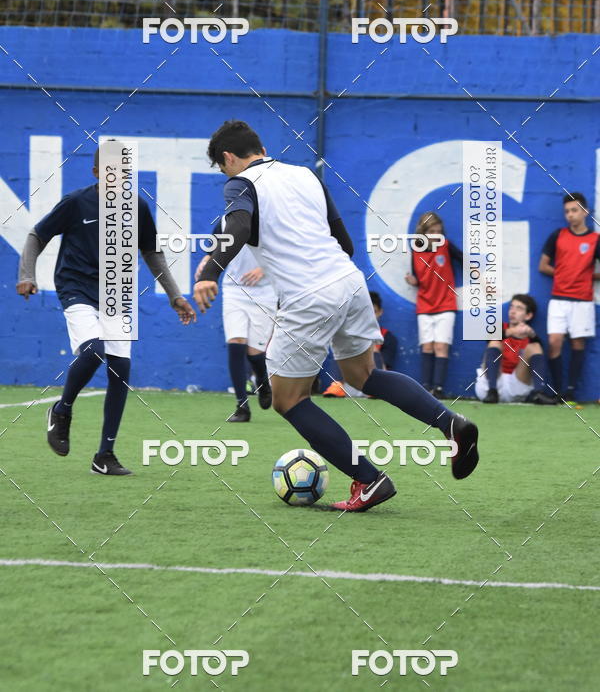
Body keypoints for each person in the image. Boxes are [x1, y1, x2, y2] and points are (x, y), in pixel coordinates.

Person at [193, 120, 479, 512]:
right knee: (364, 376)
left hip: (308, 295)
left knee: (288, 400)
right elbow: (343, 240)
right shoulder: (306, 174)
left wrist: (209, 272)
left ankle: (369, 479)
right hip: (348, 280)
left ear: (228, 158)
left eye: (222, 167)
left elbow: (239, 224)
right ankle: (450, 424)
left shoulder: (241, 183)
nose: (224, 175)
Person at [16, 146, 196, 475]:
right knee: (94, 349)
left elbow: (152, 252)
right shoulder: (75, 203)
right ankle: (62, 409)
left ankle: (104, 456)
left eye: (124, 173)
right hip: (76, 287)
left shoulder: (137, 207)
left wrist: (174, 296)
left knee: (120, 372)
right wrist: (27, 275)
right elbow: (35, 236)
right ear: (97, 172)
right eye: (111, 172)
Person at [195, 242, 276, 422]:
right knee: (236, 343)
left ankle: (263, 383)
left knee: (255, 354)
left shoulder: (273, 218)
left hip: (266, 292)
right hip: (234, 290)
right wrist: (206, 260)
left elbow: (288, 250)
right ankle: (242, 406)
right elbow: (214, 246)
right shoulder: (227, 220)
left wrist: (263, 269)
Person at [539, 192, 600, 402]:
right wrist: (564, 274)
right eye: (567, 211)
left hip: (583, 301)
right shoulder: (558, 235)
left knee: (577, 343)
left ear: (585, 212)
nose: (570, 215)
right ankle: (557, 391)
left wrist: (586, 276)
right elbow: (543, 265)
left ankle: (571, 391)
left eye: (574, 210)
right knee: (554, 341)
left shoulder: (595, 239)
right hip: (558, 299)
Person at [405, 211, 462, 400]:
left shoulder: (445, 246)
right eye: (432, 231)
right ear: (424, 232)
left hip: (446, 304)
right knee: (427, 346)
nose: (436, 235)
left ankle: (438, 388)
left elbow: (463, 259)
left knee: (441, 347)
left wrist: (481, 275)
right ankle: (425, 387)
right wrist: (412, 281)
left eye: (439, 231)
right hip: (425, 304)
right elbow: (418, 278)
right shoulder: (417, 250)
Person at [474, 294, 554, 405]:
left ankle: (538, 393)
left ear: (528, 316)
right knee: (495, 341)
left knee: (535, 347)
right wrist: (511, 332)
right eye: (511, 307)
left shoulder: (530, 336)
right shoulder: (500, 327)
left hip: (516, 385)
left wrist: (532, 335)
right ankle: (492, 392)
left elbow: (540, 352)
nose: (512, 311)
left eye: (519, 308)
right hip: (491, 384)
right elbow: (489, 339)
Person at [322, 291, 397, 397]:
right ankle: (337, 386)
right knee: (340, 348)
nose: (369, 316)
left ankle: (376, 388)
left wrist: (370, 347)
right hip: (349, 384)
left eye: (374, 312)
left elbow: (386, 367)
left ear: (380, 312)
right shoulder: (349, 333)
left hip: (374, 382)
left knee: (371, 348)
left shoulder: (387, 336)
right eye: (366, 312)